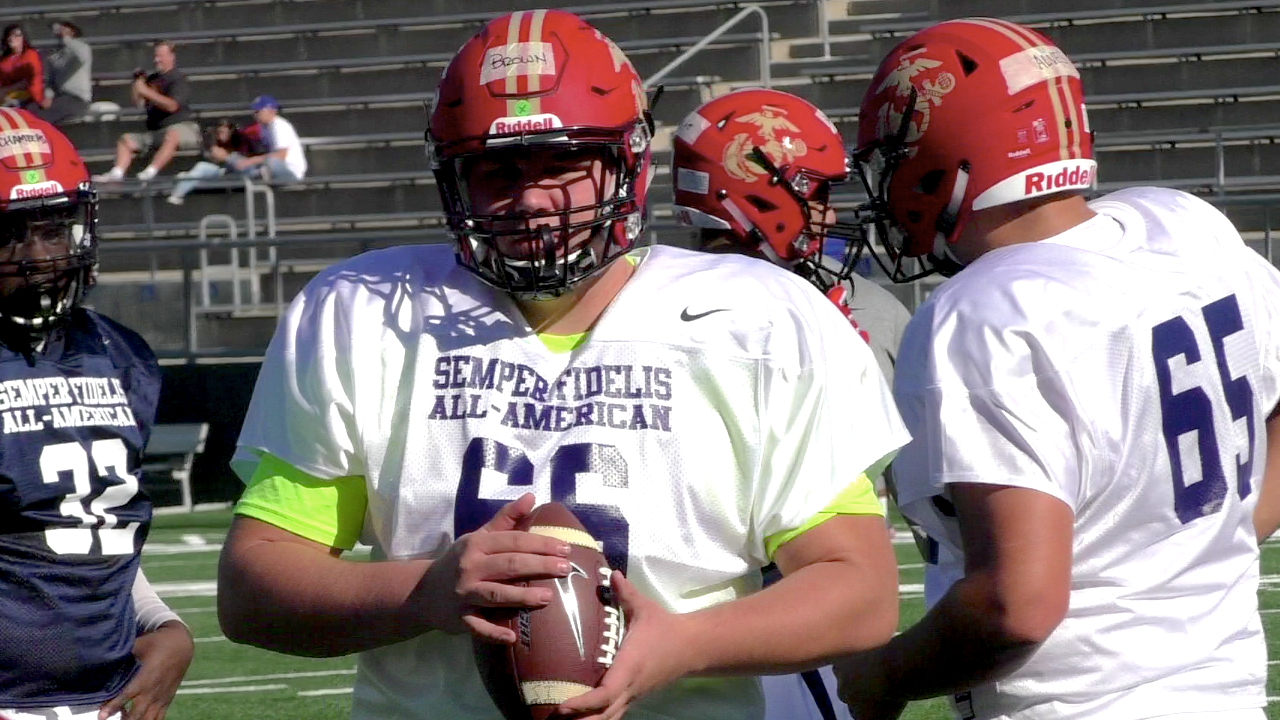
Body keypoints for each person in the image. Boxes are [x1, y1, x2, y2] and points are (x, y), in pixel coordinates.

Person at [217, 9, 907, 720]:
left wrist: (682, 644)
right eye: (498, 170)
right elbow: (255, 588)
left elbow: (858, 592)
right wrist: (422, 593)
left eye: (564, 164)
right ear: (453, 179)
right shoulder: (367, 311)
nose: (533, 199)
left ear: (627, 165)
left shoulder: (759, 317)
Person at [832, 18, 1278, 720]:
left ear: (948, 150)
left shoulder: (981, 313)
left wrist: (882, 675)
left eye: (896, 157)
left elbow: (1017, 605)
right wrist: (1190, 546)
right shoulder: (1185, 226)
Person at [670, 86, 912, 720]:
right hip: (792, 618)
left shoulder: (634, 297)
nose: (829, 217)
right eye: (817, 194)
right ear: (755, 188)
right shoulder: (839, 313)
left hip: (687, 621)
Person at [0, 108, 195, 720]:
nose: (39, 257)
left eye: (53, 230)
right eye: (11, 233)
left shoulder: (122, 356)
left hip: (105, 701)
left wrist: (163, 623)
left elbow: (90, 534)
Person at [93, 41, 200, 183]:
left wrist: (146, 92)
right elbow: (138, 103)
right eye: (155, 56)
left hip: (182, 128)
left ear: (172, 56)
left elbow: (172, 106)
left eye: (161, 56)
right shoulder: (153, 79)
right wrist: (138, 84)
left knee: (171, 135)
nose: (157, 60)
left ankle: (151, 171)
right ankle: (116, 173)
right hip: (157, 131)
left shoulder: (178, 79)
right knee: (125, 140)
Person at [166, 118, 264, 205]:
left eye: (227, 127)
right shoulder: (211, 137)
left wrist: (227, 157)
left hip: (241, 174)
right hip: (221, 173)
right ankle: (177, 194)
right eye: (221, 127)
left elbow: (244, 161)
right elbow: (213, 156)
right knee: (202, 167)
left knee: (238, 160)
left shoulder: (241, 138)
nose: (223, 129)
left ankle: (186, 177)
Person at [225, 95, 306, 184]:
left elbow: (281, 155)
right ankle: (251, 175)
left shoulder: (279, 125)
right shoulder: (264, 127)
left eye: (258, 111)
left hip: (290, 171)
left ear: (271, 111)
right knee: (234, 159)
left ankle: (253, 175)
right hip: (269, 166)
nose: (255, 114)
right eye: (254, 111)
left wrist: (250, 161)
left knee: (272, 162)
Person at [33, 20, 92, 126]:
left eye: (65, 27)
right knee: (32, 109)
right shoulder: (55, 57)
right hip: (60, 98)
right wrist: (48, 96)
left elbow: (79, 51)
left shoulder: (83, 48)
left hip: (77, 99)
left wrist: (66, 37)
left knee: (40, 116)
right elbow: (51, 81)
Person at [0, 25, 43, 111]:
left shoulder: (30, 55)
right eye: (9, 35)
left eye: (17, 35)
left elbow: (32, 79)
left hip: (27, 96)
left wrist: (7, 90)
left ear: (24, 38)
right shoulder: (5, 60)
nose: (11, 38)